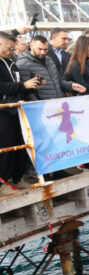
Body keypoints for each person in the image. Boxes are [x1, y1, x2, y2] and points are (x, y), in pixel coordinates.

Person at [0, 30, 38, 189]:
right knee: (6, 147)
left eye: (14, 48)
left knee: (20, 144)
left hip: (16, 109)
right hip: (3, 113)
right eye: (10, 48)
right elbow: (2, 87)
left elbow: (18, 87)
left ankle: (17, 177)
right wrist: (23, 85)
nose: (13, 51)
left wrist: (32, 86)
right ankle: (2, 182)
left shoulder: (12, 63)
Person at [16, 35, 85, 100]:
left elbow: (58, 80)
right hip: (41, 105)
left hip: (57, 102)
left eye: (45, 49)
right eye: (39, 49)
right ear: (31, 45)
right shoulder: (23, 63)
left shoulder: (49, 60)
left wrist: (71, 85)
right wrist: (37, 104)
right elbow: (26, 90)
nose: (43, 52)